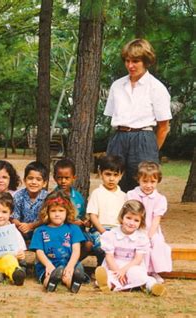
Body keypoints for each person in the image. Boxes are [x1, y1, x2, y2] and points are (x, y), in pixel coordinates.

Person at [104, 38, 172, 192]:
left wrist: (151, 150)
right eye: (127, 61)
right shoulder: (117, 86)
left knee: (141, 186)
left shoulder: (156, 88)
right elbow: (112, 115)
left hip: (144, 139)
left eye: (135, 61)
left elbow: (163, 127)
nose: (130, 65)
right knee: (114, 183)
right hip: (119, 138)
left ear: (146, 62)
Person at [95, 200, 166, 296]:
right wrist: (118, 271)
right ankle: (107, 285)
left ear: (141, 222)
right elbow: (109, 257)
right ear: (122, 217)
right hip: (114, 265)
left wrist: (123, 271)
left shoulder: (141, 238)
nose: (131, 223)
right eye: (128, 218)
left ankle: (152, 286)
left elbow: (138, 259)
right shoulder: (112, 234)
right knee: (111, 276)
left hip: (131, 266)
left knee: (138, 275)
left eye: (136, 220)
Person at [29, 190, 87, 293]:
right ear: (46, 212)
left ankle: (73, 284)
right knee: (47, 276)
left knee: (69, 274)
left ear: (67, 211)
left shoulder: (73, 228)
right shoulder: (40, 231)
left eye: (61, 211)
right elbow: (39, 252)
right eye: (53, 211)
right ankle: (51, 283)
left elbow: (76, 250)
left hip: (68, 262)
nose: (57, 214)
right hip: (49, 264)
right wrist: (48, 265)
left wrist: (70, 266)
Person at [126, 161, 172, 282]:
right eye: (145, 181)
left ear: (158, 181)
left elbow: (156, 220)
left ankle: (154, 271)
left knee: (156, 241)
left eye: (152, 182)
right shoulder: (132, 194)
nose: (148, 185)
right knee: (140, 243)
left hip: (152, 229)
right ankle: (142, 272)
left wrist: (149, 235)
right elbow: (130, 215)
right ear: (138, 180)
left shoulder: (160, 199)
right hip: (134, 228)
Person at [87, 155, 126, 265]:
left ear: (121, 175)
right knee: (102, 245)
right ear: (100, 173)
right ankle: (102, 267)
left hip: (118, 230)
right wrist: (103, 232)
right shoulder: (97, 193)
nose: (111, 179)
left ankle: (117, 269)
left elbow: (125, 217)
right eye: (108, 174)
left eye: (115, 175)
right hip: (100, 230)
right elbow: (93, 215)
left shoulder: (124, 196)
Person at [11, 161, 49, 240]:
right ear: (25, 180)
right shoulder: (19, 196)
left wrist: (31, 226)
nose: (33, 182)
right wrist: (21, 226)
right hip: (21, 228)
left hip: (40, 229)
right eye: (30, 178)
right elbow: (14, 217)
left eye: (38, 179)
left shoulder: (47, 198)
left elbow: (47, 218)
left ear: (44, 183)